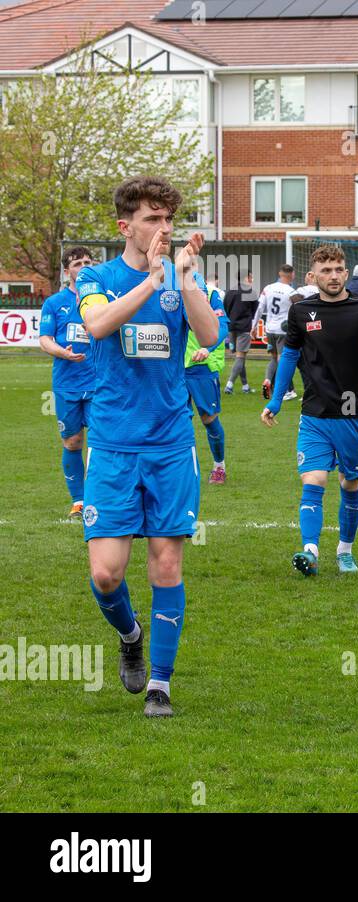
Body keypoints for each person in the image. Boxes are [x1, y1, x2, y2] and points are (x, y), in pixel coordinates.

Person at [75, 175, 220, 718]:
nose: (163, 229)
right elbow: (96, 325)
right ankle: (130, 632)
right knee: (106, 573)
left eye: (167, 220)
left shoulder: (185, 277)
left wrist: (181, 280)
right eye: (151, 220)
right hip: (112, 445)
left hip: (170, 443)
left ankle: (159, 683)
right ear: (125, 226)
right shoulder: (98, 277)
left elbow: (208, 337)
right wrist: (150, 280)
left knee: (166, 564)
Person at [260, 245, 358, 575]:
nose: (333, 275)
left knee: (350, 484)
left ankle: (345, 550)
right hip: (314, 413)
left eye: (338, 269)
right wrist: (275, 401)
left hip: (351, 413)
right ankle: (310, 551)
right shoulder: (301, 312)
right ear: (312, 275)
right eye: (326, 270)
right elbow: (288, 357)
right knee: (313, 480)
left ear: (346, 273)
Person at [39, 246, 97, 518]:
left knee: (102, 441)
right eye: (77, 263)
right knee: (73, 442)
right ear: (67, 271)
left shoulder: (102, 300)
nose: (83, 266)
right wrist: (63, 353)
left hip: (100, 383)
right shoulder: (54, 303)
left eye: (88, 262)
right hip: (67, 384)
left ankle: (102, 497)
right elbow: (45, 340)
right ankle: (79, 500)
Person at [185, 274, 230, 485]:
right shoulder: (169, 291)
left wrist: (208, 348)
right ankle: (180, 469)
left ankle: (219, 466)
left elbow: (223, 326)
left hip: (203, 366)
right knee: (176, 421)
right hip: (173, 368)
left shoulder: (211, 293)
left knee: (208, 419)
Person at [253, 264, 298, 402]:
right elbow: (297, 310)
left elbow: (260, 308)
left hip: (270, 329)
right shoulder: (291, 292)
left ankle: (268, 380)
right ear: (292, 275)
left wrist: (254, 326)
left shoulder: (268, 288)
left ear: (280, 273)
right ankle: (286, 390)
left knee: (274, 358)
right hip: (283, 330)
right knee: (283, 359)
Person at [224, 272, 257, 394]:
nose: (252, 279)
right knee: (240, 356)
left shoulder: (230, 291)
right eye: (250, 276)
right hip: (244, 327)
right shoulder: (250, 292)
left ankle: (245, 386)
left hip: (231, 327)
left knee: (240, 356)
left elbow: (225, 308)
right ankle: (229, 385)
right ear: (245, 278)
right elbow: (255, 312)